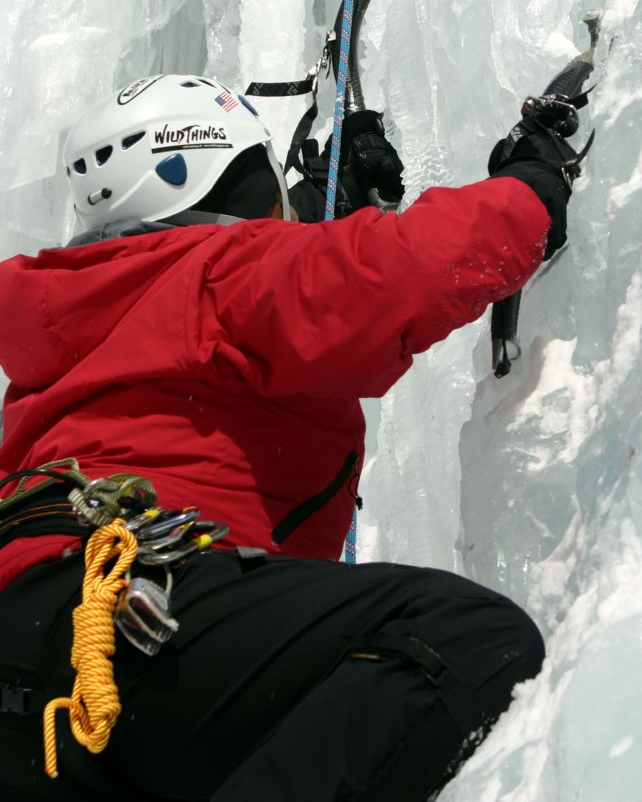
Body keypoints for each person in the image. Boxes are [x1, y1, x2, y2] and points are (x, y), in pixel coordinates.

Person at [0, 67, 582, 802]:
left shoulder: (78, 301)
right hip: (136, 610)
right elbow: (394, 272)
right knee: (463, 639)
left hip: (32, 641)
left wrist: (323, 205)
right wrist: (531, 188)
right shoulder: (222, 273)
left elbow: (256, 298)